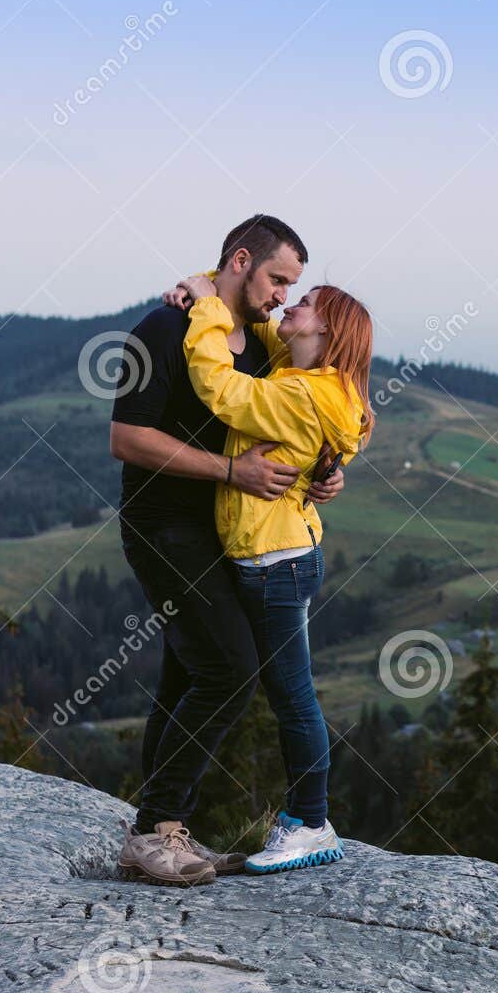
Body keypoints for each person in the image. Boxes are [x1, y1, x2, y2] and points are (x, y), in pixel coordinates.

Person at [110, 215, 344, 887]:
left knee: (186, 674)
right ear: (240, 261)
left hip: (227, 534)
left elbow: (309, 407)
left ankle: (159, 830)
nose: (281, 296)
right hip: (163, 526)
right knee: (230, 668)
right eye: (277, 279)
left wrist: (327, 469)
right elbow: (127, 440)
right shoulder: (165, 328)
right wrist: (230, 472)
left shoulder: (263, 342)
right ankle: (158, 829)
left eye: (292, 287)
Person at [170, 271, 375, 873]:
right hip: (285, 554)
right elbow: (269, 328)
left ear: (328, 330)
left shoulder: (299, 395)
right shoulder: (320, 382)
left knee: (293, 699)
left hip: (273, 563)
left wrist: (208, 308)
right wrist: (216, 283)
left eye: (304, 302)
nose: (289, 302)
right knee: (287, 692)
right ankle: (306, 816)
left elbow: (220, 388)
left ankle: (310, 821)